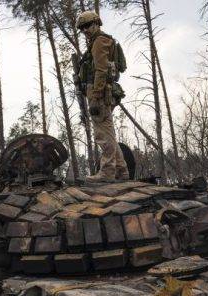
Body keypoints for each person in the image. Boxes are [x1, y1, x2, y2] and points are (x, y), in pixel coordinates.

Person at [76, 10, 129, 183]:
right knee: (108, 133)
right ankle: (121, 171)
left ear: (97, 23)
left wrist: (97, 96)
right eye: (82, 28)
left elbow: (101, 70)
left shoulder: (100, 41)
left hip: (99, 93)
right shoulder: (99, 41)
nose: (85, 30)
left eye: (88, 25)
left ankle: (107, 172)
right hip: (99, 91)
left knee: (102, 135)